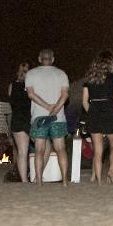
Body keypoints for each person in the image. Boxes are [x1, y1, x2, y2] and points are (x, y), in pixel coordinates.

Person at [25, 48, 70, 186]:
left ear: (39, 59)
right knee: (61, 149)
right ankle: (64, 181)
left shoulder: (31, 74)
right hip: (58, 117)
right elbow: (65, 95)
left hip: (39, 117)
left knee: (39, 149)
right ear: (53, 59)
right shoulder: (61, 74)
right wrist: (55, 109)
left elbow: (31, 94)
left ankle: (38, 180)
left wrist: (46, 106)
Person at [81, 51, 113, 185]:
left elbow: (84, 101)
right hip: (109, 111)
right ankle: (110, 171)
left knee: (98, 150)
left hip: (95, 112)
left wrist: (91, 111)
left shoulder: (89, 79)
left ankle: (98, 180)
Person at [7, 62, 32, 184]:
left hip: (21, 119)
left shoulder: (13, 85)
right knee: (26, 151)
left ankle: (26, 179)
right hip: (25, 119)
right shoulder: (30, 86)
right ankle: (29, 178)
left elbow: (12, 101)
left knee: (23, 152)